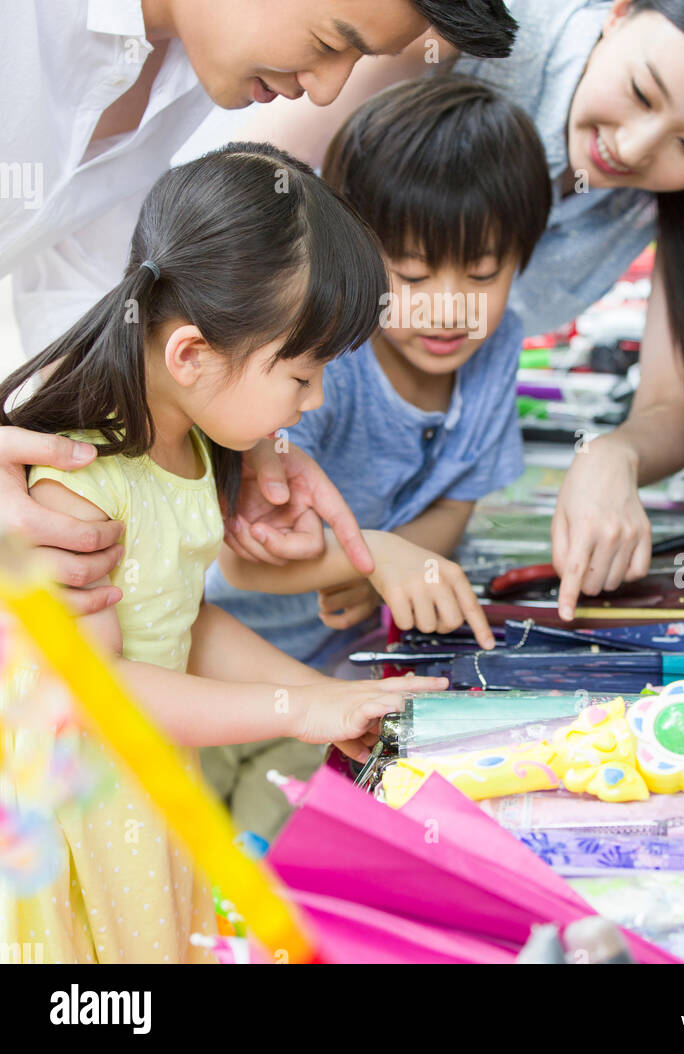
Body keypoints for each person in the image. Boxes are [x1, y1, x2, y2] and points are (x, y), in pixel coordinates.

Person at [0, 0, 518, 609]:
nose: (323, 91)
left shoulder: (189, 49)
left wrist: (230, 430)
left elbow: (84, 295)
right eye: (328, 41)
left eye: (355, 64)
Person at [249, 0, 684, 616]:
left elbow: (669, 405)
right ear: (624, 6)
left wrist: (614, 454)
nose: (630, 148)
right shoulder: (465, 14)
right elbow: (248, 193)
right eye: (639, 93)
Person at [0, 143, 447, 963]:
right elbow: (95, 694)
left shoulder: (191, 445)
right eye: (301, 376)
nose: (311, 405)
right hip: (72, 803)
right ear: (192, 354)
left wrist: (325, 696)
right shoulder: (82, 480)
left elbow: (179, 622)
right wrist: (301, 710)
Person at [202, 76, 553, 836]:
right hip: (210, 666)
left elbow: (457, 503)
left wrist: (395, 570)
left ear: (523, 258)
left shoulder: (498, 354)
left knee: (281, 856)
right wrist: (377, 558)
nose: (449, 305)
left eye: (483, 273)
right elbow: (243, 564)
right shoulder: (321, 365)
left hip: (333, 683)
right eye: (415, 274)